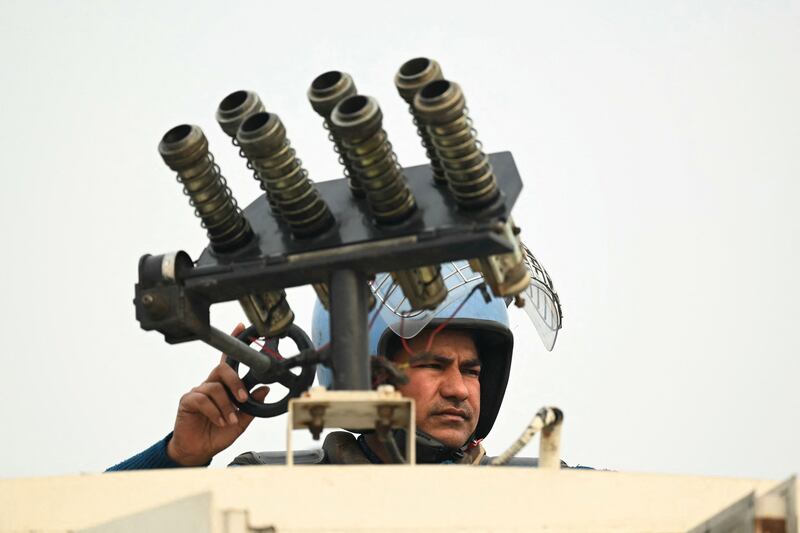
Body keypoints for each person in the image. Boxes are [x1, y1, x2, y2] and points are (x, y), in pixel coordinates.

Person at [107, 262, 532, 469]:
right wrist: (180, 458)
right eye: (434, 365)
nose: (459, 388)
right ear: (363, 375)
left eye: (472, 370)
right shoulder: (270, 491)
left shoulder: (543, 493)